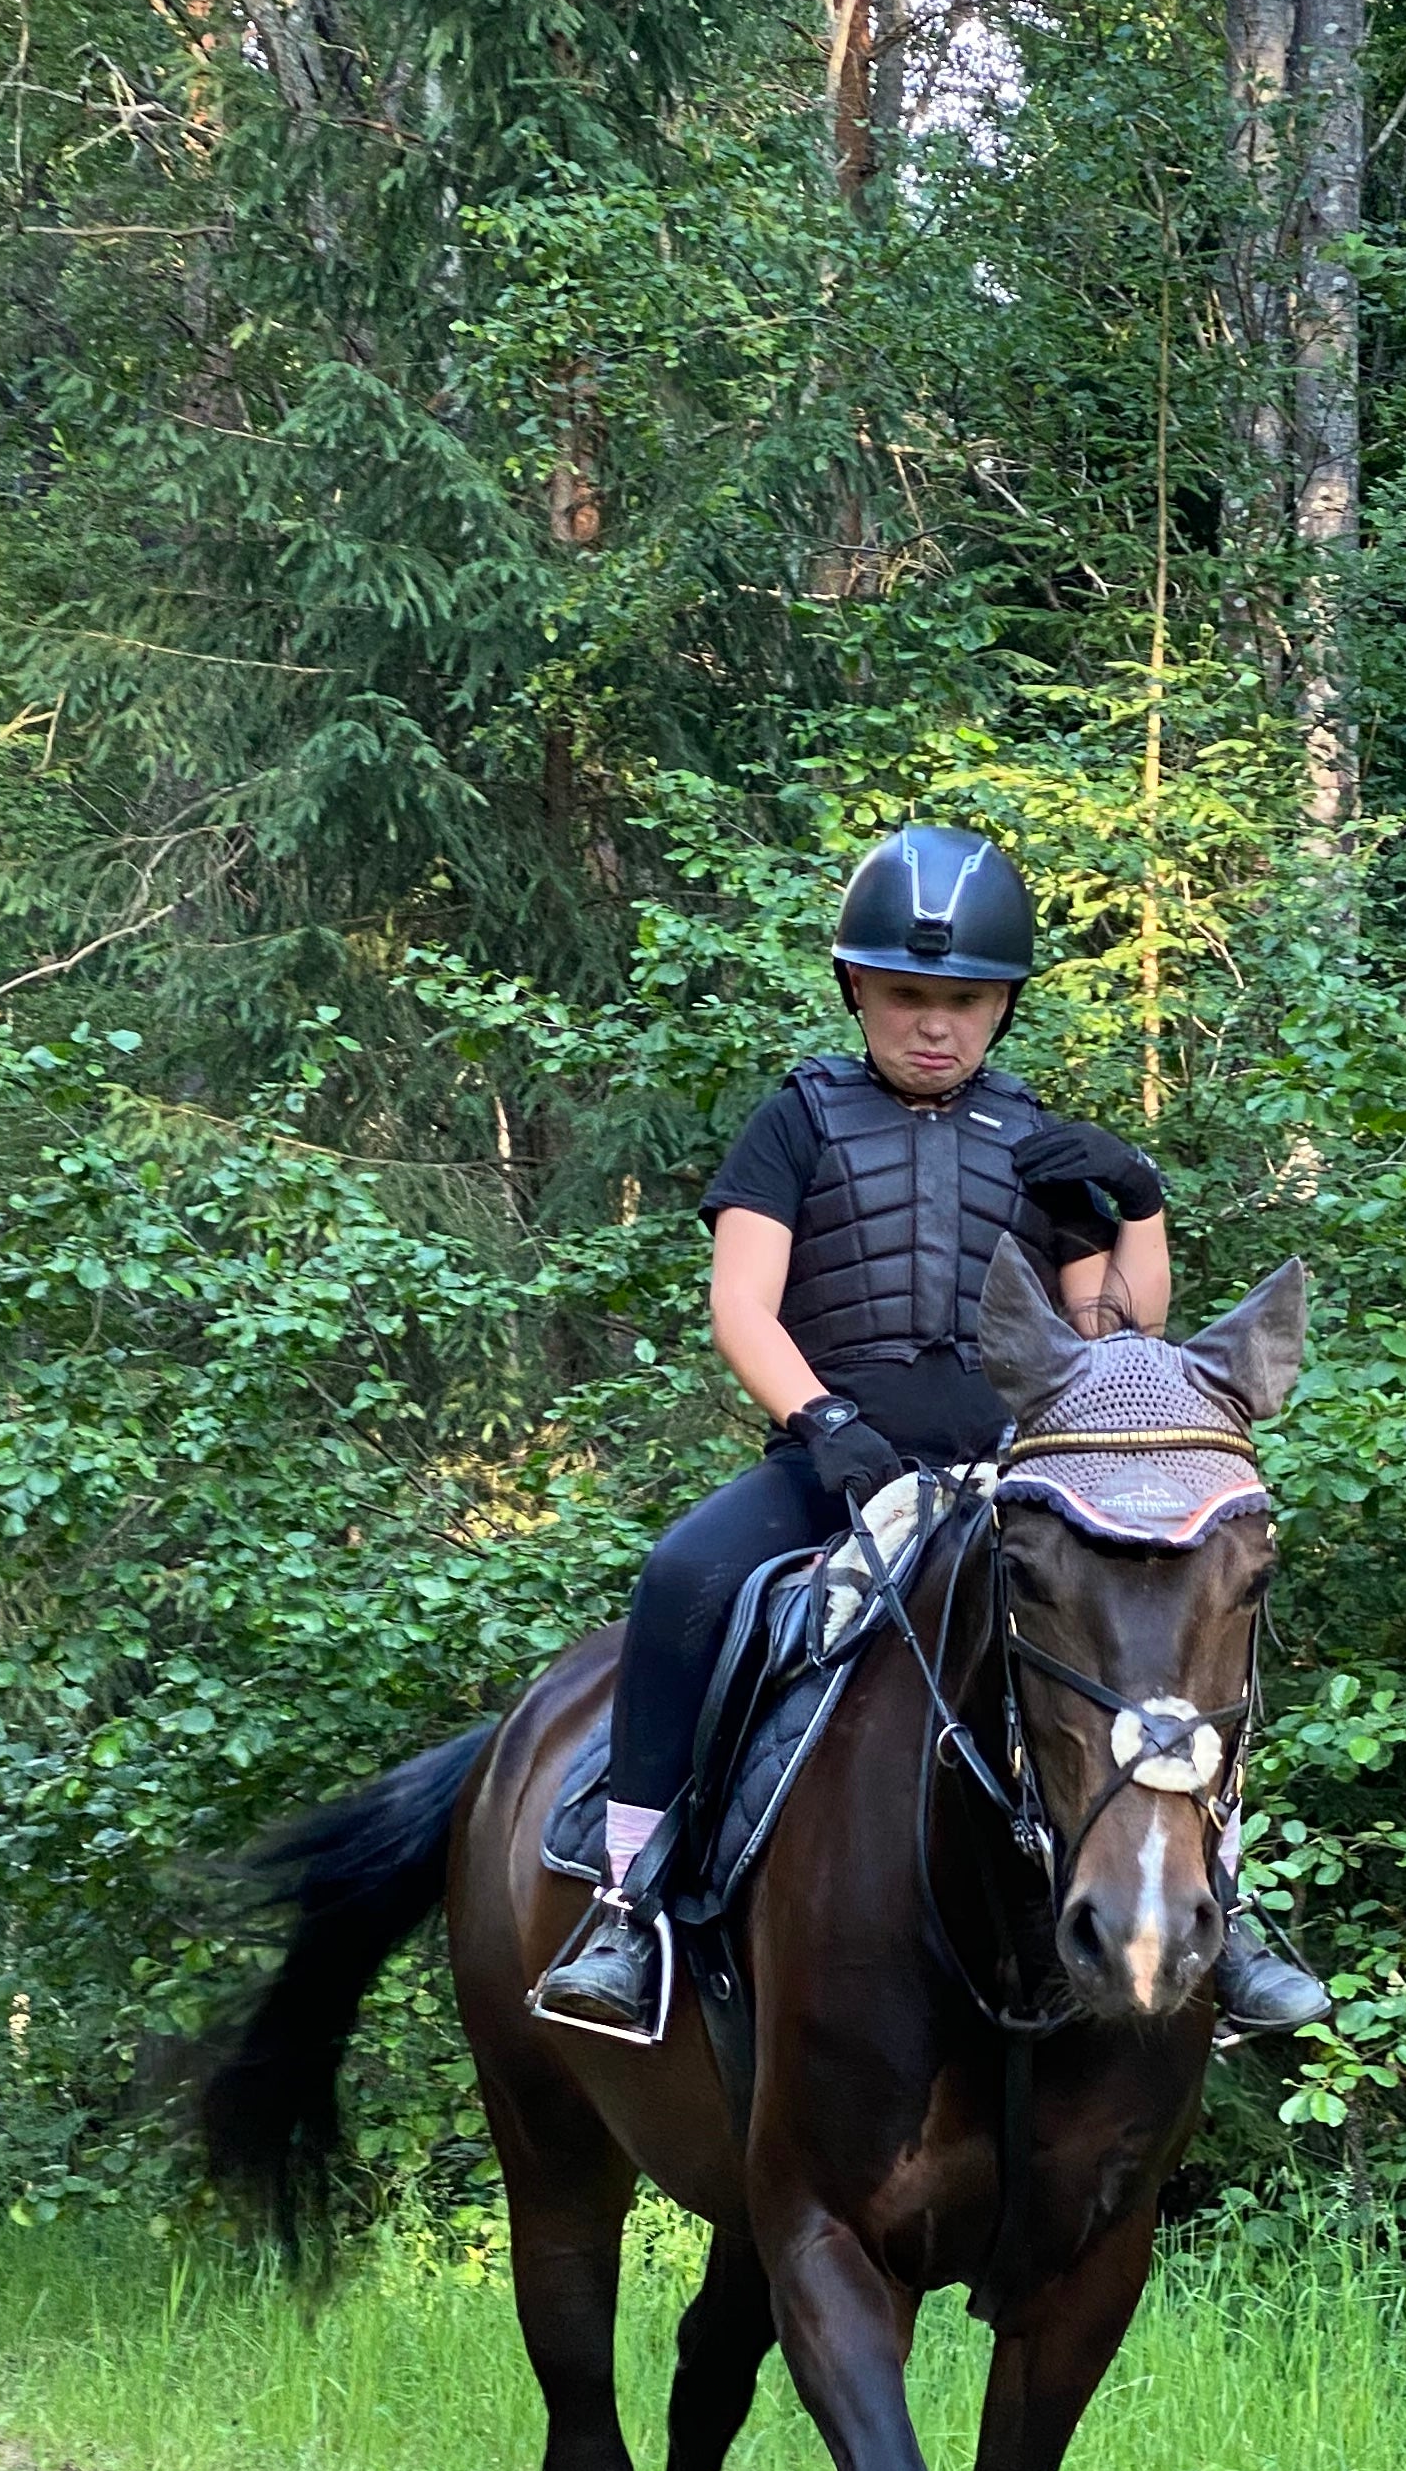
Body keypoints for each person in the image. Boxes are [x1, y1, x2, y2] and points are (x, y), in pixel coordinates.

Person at [536, 821, 1329, 2040]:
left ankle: (1224, 1901)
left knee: (1164, 1618)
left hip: (1006, 1481)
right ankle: (628, 1903)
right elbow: (740, 1301)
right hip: (833, 1466)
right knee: (686, 1578)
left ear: (1002, 1007)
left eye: (964, 1001)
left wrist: (1141, 1199)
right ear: (858, 987)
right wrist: (819, 1419)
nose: (934, 1024)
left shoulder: (1041, 1141)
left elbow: (1116, 1343)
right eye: (907, 996)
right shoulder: (797, 1120)